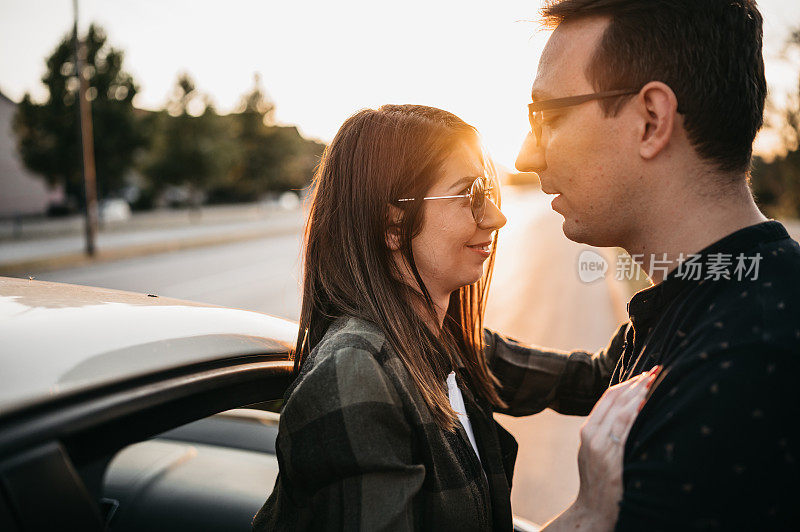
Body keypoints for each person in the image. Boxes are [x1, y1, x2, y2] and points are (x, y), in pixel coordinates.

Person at [252, 104, 655, 531]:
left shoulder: (451, 344)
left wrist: (671, 250)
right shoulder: (352, 375)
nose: (496, 218)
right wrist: (588, 513)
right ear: (393, 223)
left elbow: (599, 378)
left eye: (490, 195)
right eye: (470, 195)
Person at [509, 0, 800, 528]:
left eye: (547, 116)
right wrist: (437, 342)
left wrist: (587, 518)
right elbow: (605, 376)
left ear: (651, 120)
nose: (526, 157)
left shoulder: (738, 367)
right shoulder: (730, 286)